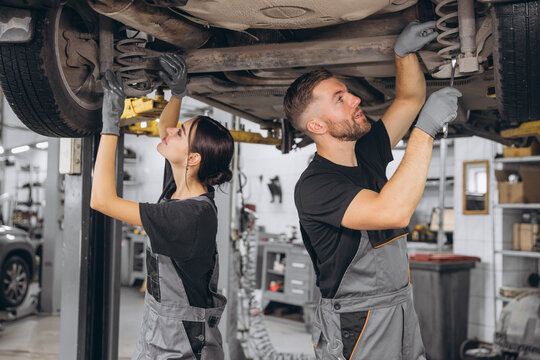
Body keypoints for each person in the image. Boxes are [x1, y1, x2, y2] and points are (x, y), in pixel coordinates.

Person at [284, 21, 462, 359]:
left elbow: (409, 99)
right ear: (317, 126)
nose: (355, 98)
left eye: (347, 92)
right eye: (340, 99)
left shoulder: (365, 153)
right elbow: (391, 211)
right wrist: (424, 131)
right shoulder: (315, 187)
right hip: (357, 320)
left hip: (399, 306)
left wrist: (403, 54)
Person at [90, 53, 234, 360]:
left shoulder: (189, 215)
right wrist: (177, 93)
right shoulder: (183, 187)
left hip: (185, 342)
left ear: (193, 159)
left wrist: (110, 126)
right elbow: (164, 127)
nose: (170, 131)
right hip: (164, 327)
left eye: (180, 134)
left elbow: (101, 200)